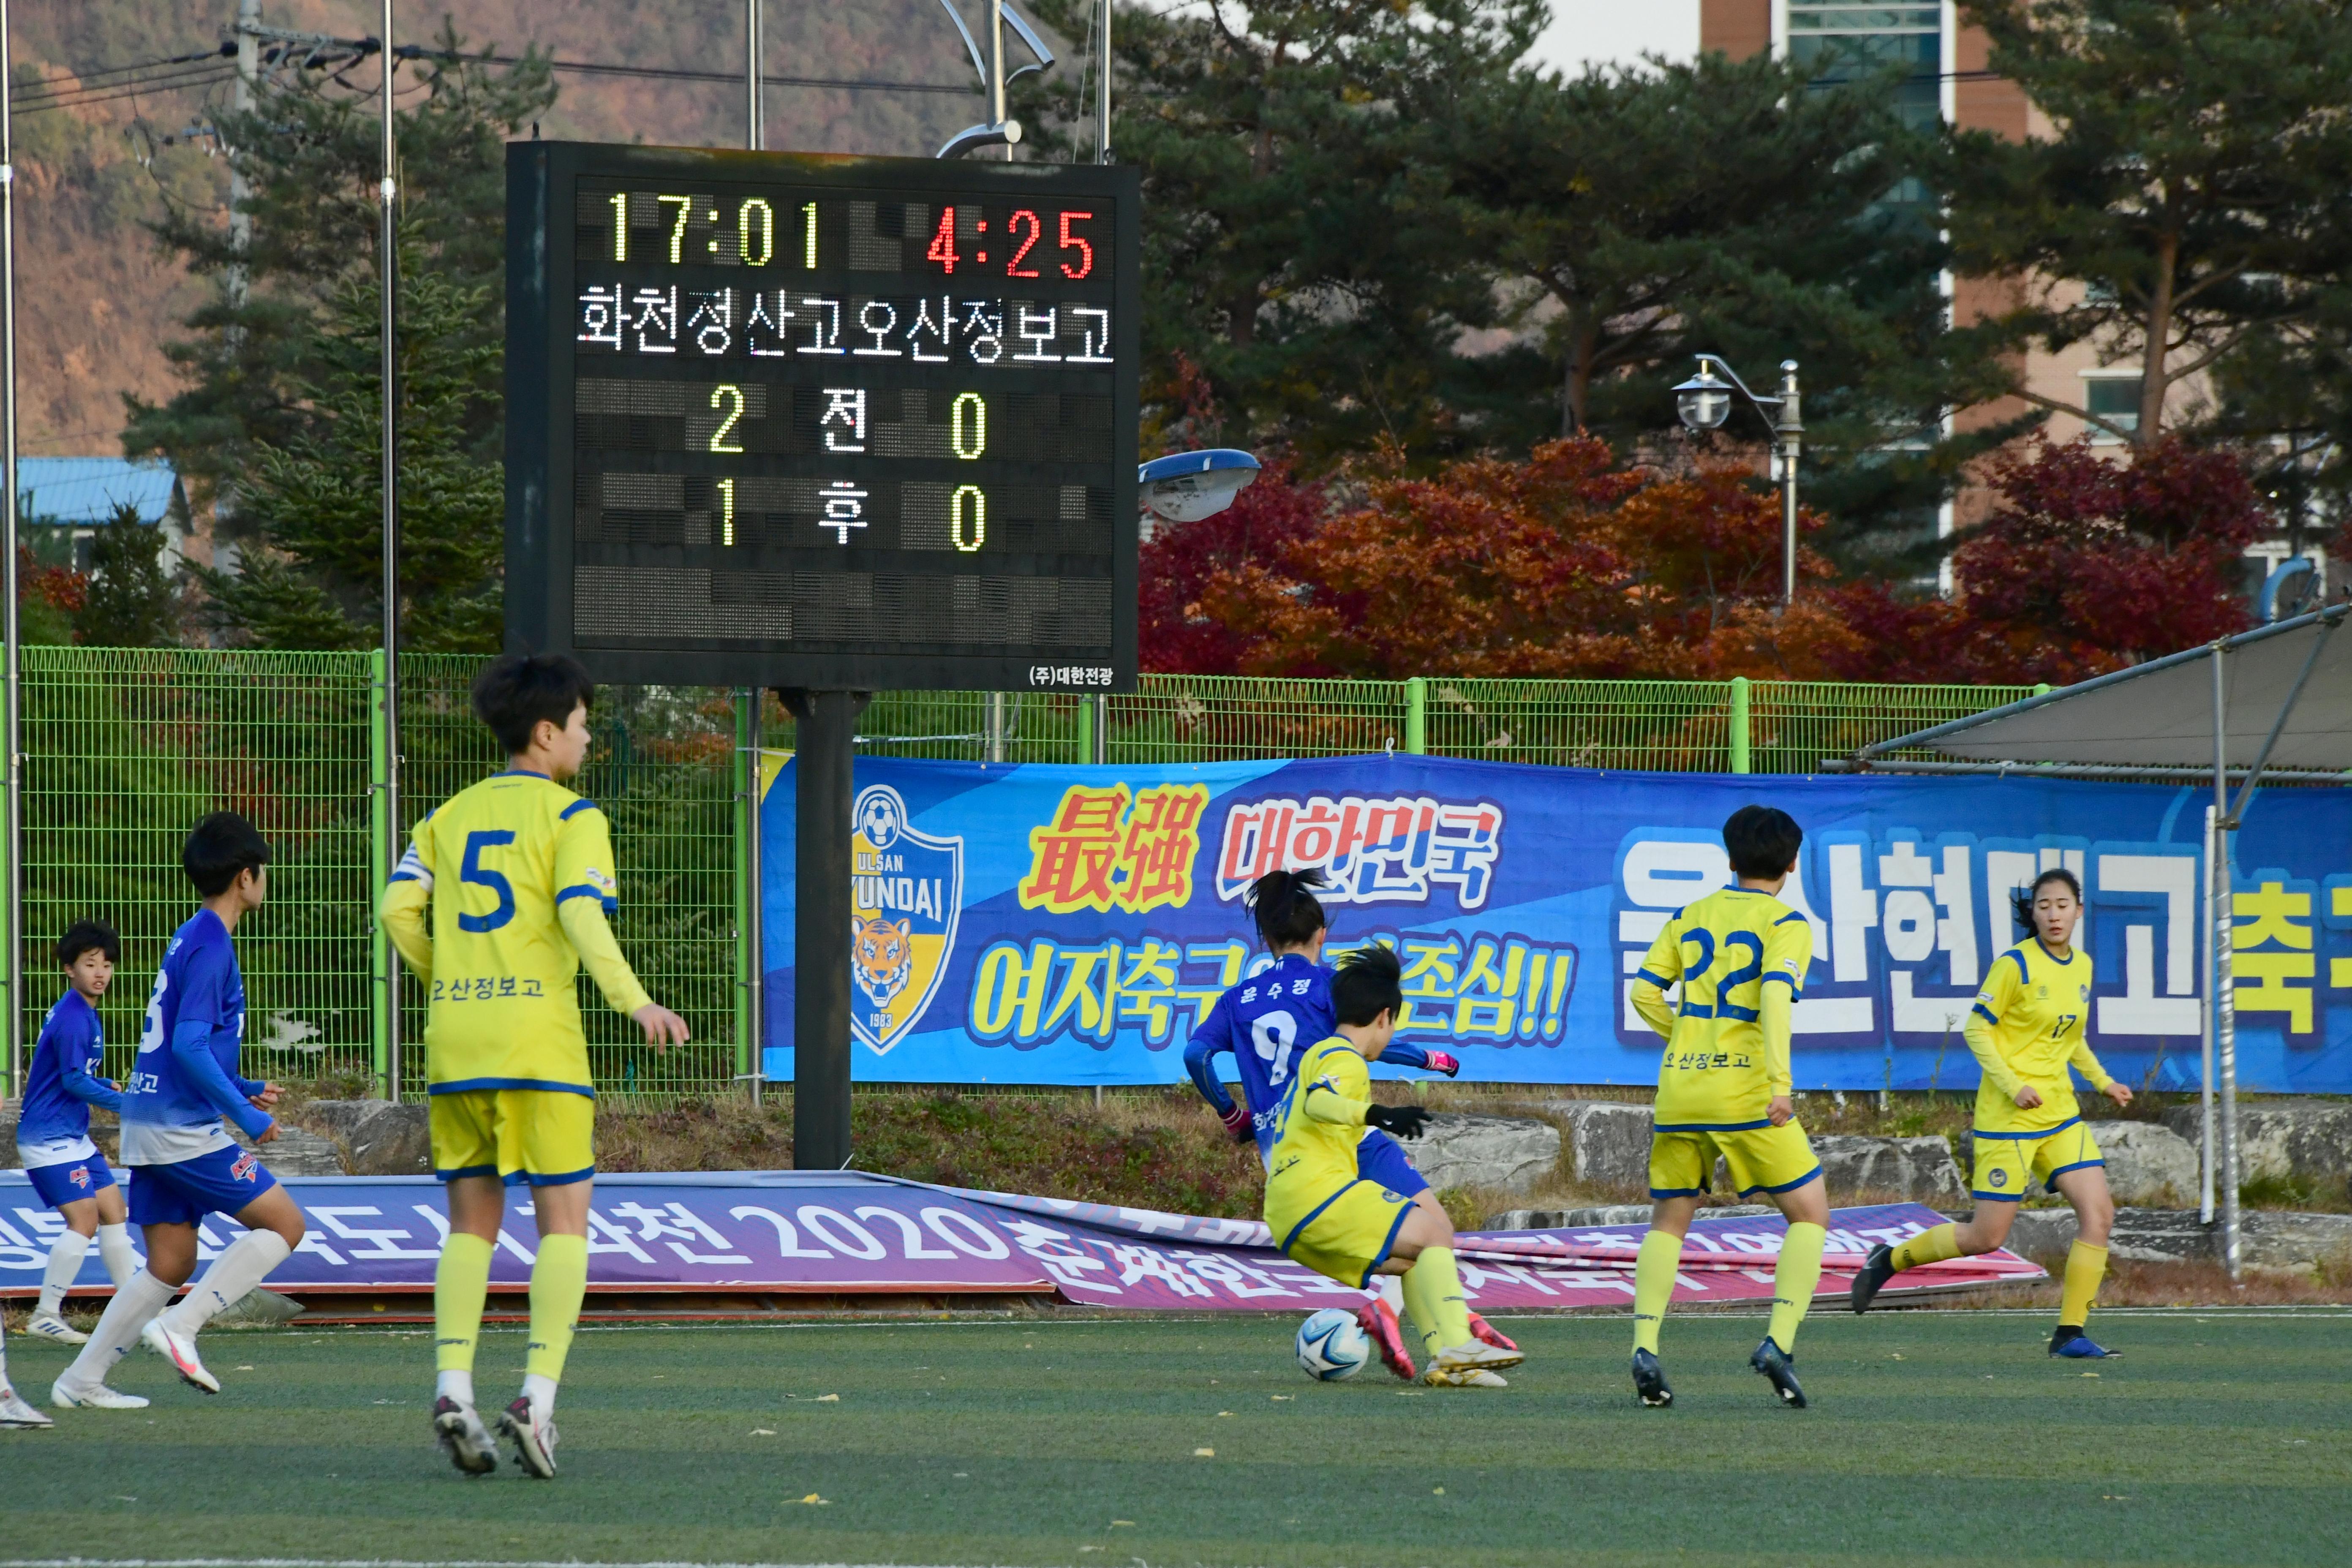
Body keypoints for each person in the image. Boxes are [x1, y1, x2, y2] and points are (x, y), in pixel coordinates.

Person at [381, 651, 688, 1478]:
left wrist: (447, 976)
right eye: (584, 727)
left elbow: (395, 907)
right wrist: (636, 1001)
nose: (588, 742)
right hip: (540, 1041)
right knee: (565, 1225)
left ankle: (452, 1385)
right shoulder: (573, 815)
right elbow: (582, 914)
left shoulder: (444, 816)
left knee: (470, 1225)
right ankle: (536, 1402)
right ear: (547, 731)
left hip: (457, 1039)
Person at [1182, 868, 1513, 1379]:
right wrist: (1429, 1059)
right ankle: (1439, 1340)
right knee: (1433, 1233)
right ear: (1321, 935)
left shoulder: (1238, 999)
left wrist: (1233, 1116)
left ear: (1265, 939)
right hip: (1345, 1138)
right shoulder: (1326, 984)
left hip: (1288, 1155)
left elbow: (1197, 1056)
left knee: (1426, 1238)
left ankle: (1434, 1341)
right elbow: (1364, 1038)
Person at [52, 813, 306, 1411]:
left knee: (171, 1261)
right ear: (245, 877)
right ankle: (181, 1327)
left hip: (149, 1118)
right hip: (177, 1129)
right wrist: (246, 1118)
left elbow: (184, 1044)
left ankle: (80, 1380)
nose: (264, 880)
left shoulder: (192, 932)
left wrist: (241, 1086)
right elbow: (190, 1046)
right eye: (262, 871)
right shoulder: (215, 944)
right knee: (285, 1226)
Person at [1851, 867, 2130, 1358]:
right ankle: (1890, 1258)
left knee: (2100, 1214)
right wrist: (2015, 1086)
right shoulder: (2015, 966)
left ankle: (2070, 1333)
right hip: (2009, 1118)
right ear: (2034, 913)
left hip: (2060, 1114)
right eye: (2044, 906)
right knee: (1986, 1236)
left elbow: (2071, 1038)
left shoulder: (2081, 967)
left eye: (2063, 905)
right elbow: (1977, 1031)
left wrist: (2104, 1081)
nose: (2053, 914)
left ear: (2079, 910)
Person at [1626, 804, 1824, 1410]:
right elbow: (1773, 995)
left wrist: (1686, 1037)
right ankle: (1778, 1344)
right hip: (1745, 1092)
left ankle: (1645, 1347)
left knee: (1668, 1222)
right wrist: (1780, 1085)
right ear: (1792, 865)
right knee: (1811, 1214)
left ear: (1730, 859)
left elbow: (1643, 993)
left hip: (1681, 1088)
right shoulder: (1787, 924)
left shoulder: (1689, 916)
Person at [1262, 945, 1522, 1389]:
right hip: (1318, 1195)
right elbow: (1318, 1102)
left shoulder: (1315, 1054)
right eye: (1395, 1022)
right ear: (1384, 1017)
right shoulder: (1344, 1058)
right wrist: (1377, 1113)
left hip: (1287, 1216)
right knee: (1436, 1232)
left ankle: (1448, 1362)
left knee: (1415, 1254)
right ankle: (1458, 1345)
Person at [15, 921, 142, 1347]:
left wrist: (106, 1085)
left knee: (114, 1211)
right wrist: (128, 1105)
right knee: (85, 1219)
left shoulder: (83, 1011)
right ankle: (47, 1314)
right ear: (69, 968)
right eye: (91, 964)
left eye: (106, 964)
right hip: (49, 1138)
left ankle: (135, 1308)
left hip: (72, 1135)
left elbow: (71, 1076)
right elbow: (71, 1081)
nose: (101, 973)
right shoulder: (74, 1018)